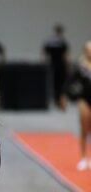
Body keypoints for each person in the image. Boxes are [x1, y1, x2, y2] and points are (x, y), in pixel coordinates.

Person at [72, 41, 91, 171]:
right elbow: (70, 82)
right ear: (85, 51)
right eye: (89, 49)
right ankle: (83, 157)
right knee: (84, 129)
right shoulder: (80, 67)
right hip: (84, 99)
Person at [43, 24, 69, 110]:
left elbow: (44, 52)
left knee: (54, 84)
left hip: (52, 65)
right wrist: (68, 65)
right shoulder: (62, 42)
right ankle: (59, 101)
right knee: (61, 84)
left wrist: (46, 61)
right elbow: (66, 55)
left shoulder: (50, 42)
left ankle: (56, 100)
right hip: (61, 65)